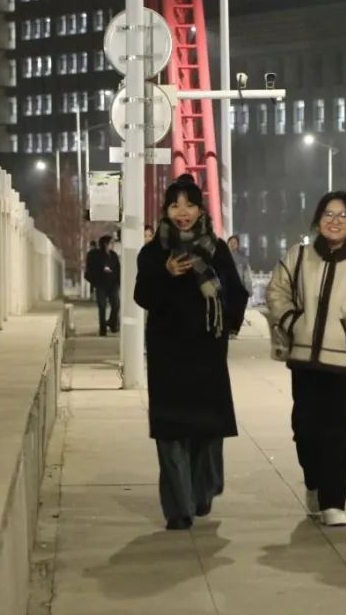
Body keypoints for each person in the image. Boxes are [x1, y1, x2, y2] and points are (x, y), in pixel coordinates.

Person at [133, 175, 249, 530]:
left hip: (206, 353)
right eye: (174, 205)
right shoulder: (154, 252)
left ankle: (201, 493)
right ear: (166, 210)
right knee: (171, 431)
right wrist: (165, 273)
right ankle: (178, 509)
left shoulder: (216, 249)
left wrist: (226, 326)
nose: (182, 212)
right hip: (167, 353)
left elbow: (237, 292)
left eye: (189, 205)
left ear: (200, 209)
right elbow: (142, 296)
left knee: (206, 428)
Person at [266, 191, 346, 528]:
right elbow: (276, 291)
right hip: (305, 361)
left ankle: (334, 503)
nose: (335, 221)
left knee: (339, 434)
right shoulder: (299, 256)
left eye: (343, 215)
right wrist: (293, 322)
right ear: (318, 219)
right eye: (329, 214)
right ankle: (314, 484)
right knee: (305, 431)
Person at [85, 235, 120, 336]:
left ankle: (112, 322)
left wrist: (118, 281)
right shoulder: (95, 255)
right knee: (102, 306)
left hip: (113, 284)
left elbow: (118, 269)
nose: (113, 245)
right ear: (105, 244)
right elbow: (91, 268)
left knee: (116, 304)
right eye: (111, 243)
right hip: (101, 284)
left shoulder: (113, 255)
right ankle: (102, 329)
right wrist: (101, 271)